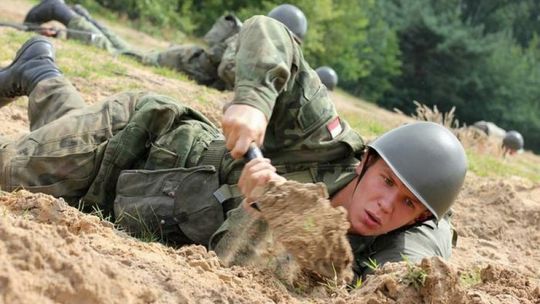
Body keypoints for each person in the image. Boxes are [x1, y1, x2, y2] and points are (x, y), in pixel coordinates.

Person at [0, 15, 467, 281]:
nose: (386, 206)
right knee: (8, 170)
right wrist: (255, 105)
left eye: (408, 204)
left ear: (422, 218)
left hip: (126, 201)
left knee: (57, 151)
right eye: (387, 182)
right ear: (367, 162)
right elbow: (270, 31)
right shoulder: (322, 142)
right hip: (136, 136)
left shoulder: (391, 250)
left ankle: (40, 70)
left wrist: (281, 205)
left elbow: (422, 271)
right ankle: (40, 70)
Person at [23, 0, 308, 91]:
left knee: (125, 49)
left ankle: (80, 15)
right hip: (185, 63)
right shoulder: (254, 36)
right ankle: (63, 12)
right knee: (118, 53)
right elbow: (228, 68)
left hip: (186, 60)